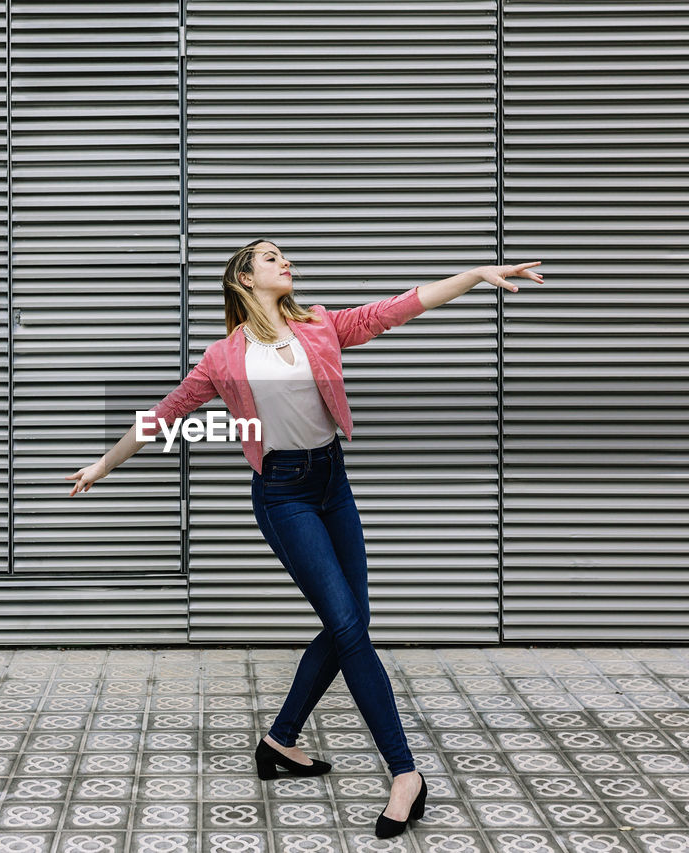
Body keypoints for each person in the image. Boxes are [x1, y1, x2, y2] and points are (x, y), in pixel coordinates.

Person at [66, 239, 543, 839]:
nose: (285, 262)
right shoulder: (223, 359)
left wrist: (472, 274)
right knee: (347, 626)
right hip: (284, 495)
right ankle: (405, 773)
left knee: (350, 624)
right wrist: (102, 467)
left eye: (283, 256)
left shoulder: (317, 325)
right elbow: (162, 414)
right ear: (243, 278)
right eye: (270, 257)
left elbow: (395, 308)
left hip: (331, 484)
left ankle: (278, 744)